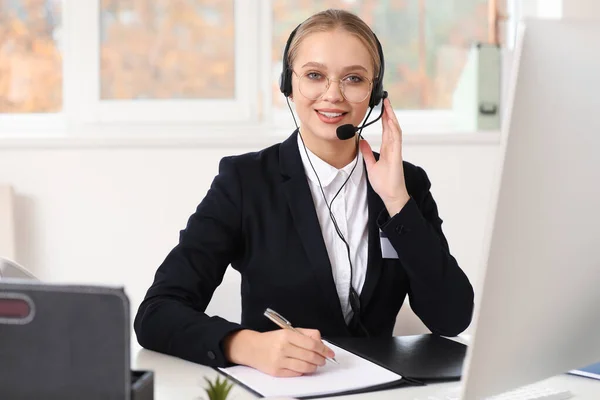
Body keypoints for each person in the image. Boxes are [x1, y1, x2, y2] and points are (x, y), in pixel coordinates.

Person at [134, 9, 474, 378]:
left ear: (375, 92)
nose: (333, 95)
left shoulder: (406, 185)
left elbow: (451, 318)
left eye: (354, 79)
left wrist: (397, 203)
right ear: (288, 83)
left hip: (378, 391)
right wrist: (247, 345)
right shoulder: (245, 182)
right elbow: (157, 312)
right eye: (315, 75)